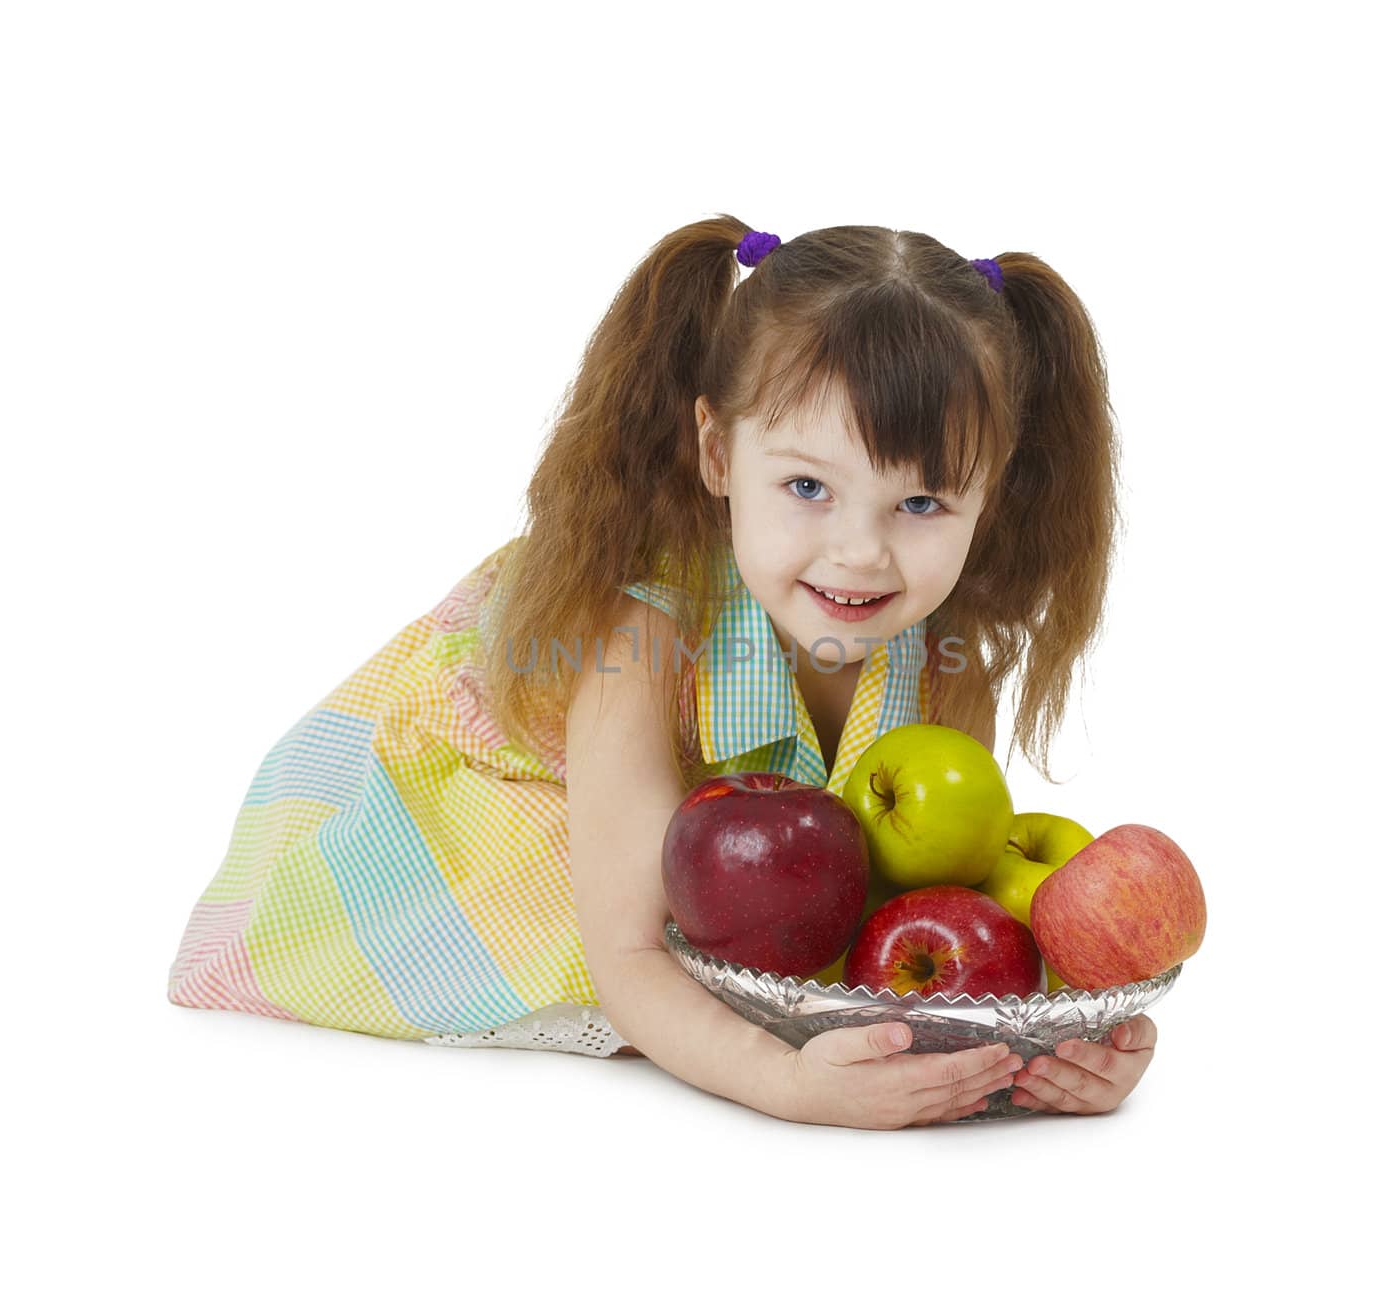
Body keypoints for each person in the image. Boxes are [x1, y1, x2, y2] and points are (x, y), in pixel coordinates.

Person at [167, 215, 1158, 1129]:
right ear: (717, 451)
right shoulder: (640, 641)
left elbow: (917, 918)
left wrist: (1060, 1037)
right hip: (517, 840)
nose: (859, 552)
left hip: (707, 873)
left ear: (993, 491)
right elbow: (632, 952)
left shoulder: (951, 675)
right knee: (615, 917)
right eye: (807, 486)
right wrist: (783, 1081)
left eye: (923, 502)